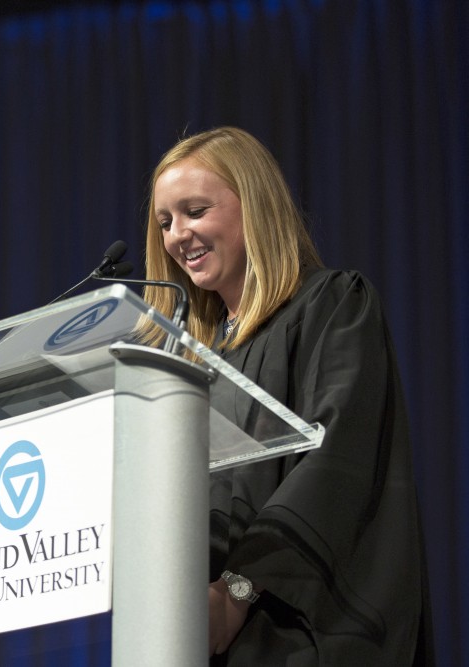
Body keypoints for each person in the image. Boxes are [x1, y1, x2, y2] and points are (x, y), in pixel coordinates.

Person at [141, 127, 431, 664]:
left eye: (195, 211)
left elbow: (335, 461)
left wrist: (235, 592)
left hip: (295, 630)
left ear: (254, 206)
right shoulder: (187, 364)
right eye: (165, 222)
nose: (178, 234)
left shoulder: (333, 308)